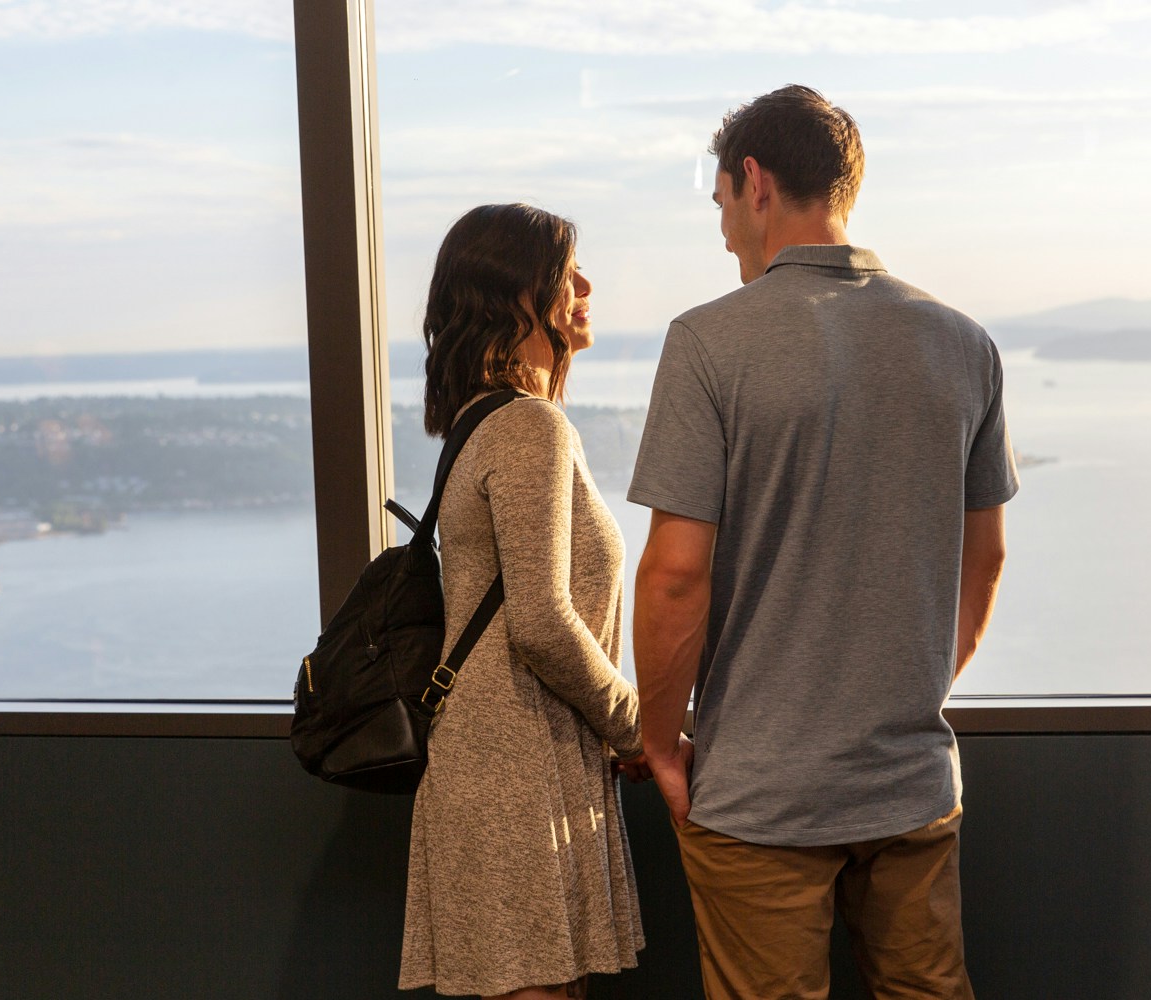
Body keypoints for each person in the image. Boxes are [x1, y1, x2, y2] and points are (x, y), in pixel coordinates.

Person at [628, 85, 1017, 999]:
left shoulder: (707, 344)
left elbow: (676, 577)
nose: (722, 228)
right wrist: (907, 690)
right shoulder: (965, 344)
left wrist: (662, 744)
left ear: (754, 182)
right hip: (911, 785)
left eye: (720, 200)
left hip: (760, 797)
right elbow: (987, 557)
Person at [400, 203, 651, 1000]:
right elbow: (542, 622)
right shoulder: (529, 428)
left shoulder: (482, 422)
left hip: (505, 763)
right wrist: (635, 723)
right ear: (515, 298)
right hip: (511, 772)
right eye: (562, 272)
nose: (584, 284)